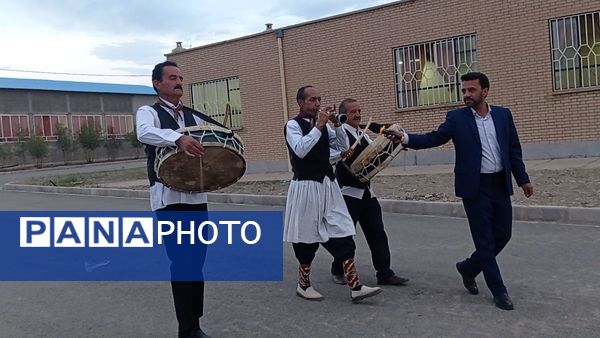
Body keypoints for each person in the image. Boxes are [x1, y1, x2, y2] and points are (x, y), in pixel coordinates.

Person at [396, 72, 534, 310]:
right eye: (464, 90)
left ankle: (469, 267)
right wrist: (405, 138)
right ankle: (498, 290)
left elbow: (513, 149)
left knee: (503, 234)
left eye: (471, 90)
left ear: (485, 91)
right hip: (475, 187)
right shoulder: (456, 118)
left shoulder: (503, 115)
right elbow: (434, 138)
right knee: (485, 241)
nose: (466, 95)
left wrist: (523, 179)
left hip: (499, 184)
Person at [283, 85, 382, 303]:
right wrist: (319, 126)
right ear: (300, 102)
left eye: (319, 99)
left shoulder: (324, 126)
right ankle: (304, 284)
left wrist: (337, 127)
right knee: (307, 234)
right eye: (312, 100)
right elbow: (300, 150)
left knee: (341, 228)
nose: (317, 103)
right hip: (306, 186)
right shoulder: (293, 125)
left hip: (328, 185)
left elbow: (337, 146)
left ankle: (355, 285)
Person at [136, 61, 212, 338]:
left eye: (180, 77)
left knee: (197, 261)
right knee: (182, 262)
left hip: (196, 196)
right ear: (157, 83)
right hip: (168, 198)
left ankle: (195, 321)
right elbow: (143, 133)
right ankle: (188, 328)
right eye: (172, 77)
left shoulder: (194, 116)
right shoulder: (149, 112)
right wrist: (177, 139)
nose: (179, 81)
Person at [329, 98, 410, 286]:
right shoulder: (339, 135)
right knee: (346, 235)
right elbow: (339, 158)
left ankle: (384, 273)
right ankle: (337, 268)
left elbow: (375, 156)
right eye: (352, 112)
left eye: (359, 111)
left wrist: (395, 147)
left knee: (377, 233)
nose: (357, 115)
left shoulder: (363, 134)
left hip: (366, 192)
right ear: (343, 115)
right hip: (348, 193)